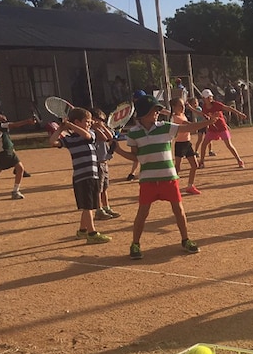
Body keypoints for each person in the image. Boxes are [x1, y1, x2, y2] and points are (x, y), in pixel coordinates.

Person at [111, 95, 214, 259]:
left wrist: (208, 123)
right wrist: (118, 150)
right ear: (144, 113)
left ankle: (185, 240)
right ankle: (135, 244)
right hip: (148, 180)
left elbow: (187, 128)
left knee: (178, 210)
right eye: (154, 110)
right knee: (142, 213)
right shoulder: (134, 134)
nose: (158, 113)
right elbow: (135, 157)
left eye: (158, 110)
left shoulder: (165, 127)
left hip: (168, 177)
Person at [47, 107, 113, 244]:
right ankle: (92, 233)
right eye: (87, 121)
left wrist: (70, 125)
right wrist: (60, 128)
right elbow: (52, 142)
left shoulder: (91, 134)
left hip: (93, 175)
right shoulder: (70, 139)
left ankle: (82, 231)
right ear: (77, 122)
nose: (90, 124)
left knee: (89, 205)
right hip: (82, 177)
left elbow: (87, 136)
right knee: (88, 206)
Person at [199, 88, 246, 168]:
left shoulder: (216, 104)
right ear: (203, 98)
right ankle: (202, 162)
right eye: (207, 97)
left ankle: (239, 161)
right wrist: (208, 124)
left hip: (222, 128)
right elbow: (205, 117)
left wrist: (239, 114)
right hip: (212, 129)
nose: (210, 98)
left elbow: (229, 108)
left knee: (229, 145)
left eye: (210, 96)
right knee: (203, 145)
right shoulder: (204, 107)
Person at [90, 108, 121, 220]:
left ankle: (106, 207)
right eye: (99, 120)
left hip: (104, 162)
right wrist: (96, 127)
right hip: (96, 163)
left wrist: (102, 126)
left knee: (104, 188)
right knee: (98, 188)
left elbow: (110, 137)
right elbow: (103, 138)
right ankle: (99, 210)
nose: (101, 122)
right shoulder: (92, 132)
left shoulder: (101, 129)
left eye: (103, 121)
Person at [169, 96, 201, 195]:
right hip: (180, 144)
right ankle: (171, 186)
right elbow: (188, 125)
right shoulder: (176, 117)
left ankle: (190, 186)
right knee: (177, 168)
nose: (182, 107)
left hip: (187, 143)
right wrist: (204, 124)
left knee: (195, 165)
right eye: (180, 106)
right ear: (174, 107)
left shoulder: (182, 114)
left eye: (183, 105)